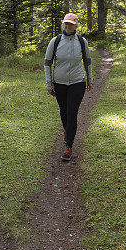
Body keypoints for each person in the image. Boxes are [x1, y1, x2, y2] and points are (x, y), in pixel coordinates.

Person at [44, 13, 92, 161]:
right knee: (64, 111)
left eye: (71, 24)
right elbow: (47, 62)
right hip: (59, 82)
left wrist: (89, 79)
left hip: (78, 82)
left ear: (76, 25)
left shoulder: (82, 41)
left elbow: (87, 61)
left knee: (72, 113)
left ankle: (68, 146)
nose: (68, 26)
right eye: (66, 23)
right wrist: (49, 83)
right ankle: (67, 131)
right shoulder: (56, 41)